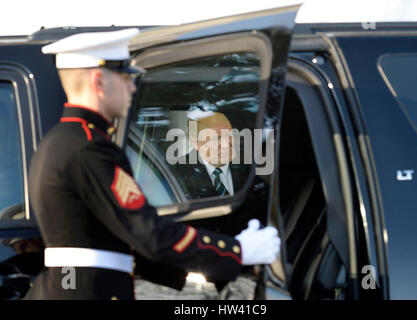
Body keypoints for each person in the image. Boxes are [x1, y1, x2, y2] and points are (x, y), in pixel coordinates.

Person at [24, 28, 281, 300]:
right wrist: (235, 251)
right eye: (125, 78)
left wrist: (196, 281)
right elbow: (146, 231)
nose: (132, 87)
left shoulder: (62, 140)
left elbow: (117, 238)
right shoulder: (89, 148)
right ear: (99, 81)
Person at [173, 110, 249, 199]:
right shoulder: (177, 174)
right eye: (216, 139)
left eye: (229, 134)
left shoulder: (249, 163)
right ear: (195, 142)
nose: (226, 145)